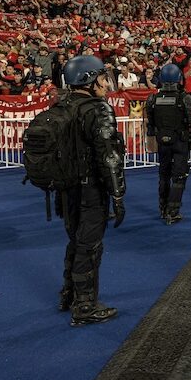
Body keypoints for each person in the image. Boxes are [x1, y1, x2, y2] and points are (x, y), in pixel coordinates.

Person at [57, 55, 127, 327]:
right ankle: (85, 305)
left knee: (75, 240)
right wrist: (118, 193)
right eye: (102, 78)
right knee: (90, 246)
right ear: (90, 79)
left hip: (66, 188)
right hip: (90, 190)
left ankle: (69, 295)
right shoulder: (98, 109)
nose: (106, 84)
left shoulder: (61, 105)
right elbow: (109, 157)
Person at [144, 64, 191, 224]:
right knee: (179, 176)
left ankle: (163, 209)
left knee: (163, 175)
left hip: (163, 142)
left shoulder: (152, 99)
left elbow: (150, 123)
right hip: (180, 142)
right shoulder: (185, 98)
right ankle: (173, 210)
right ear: (179, 79)